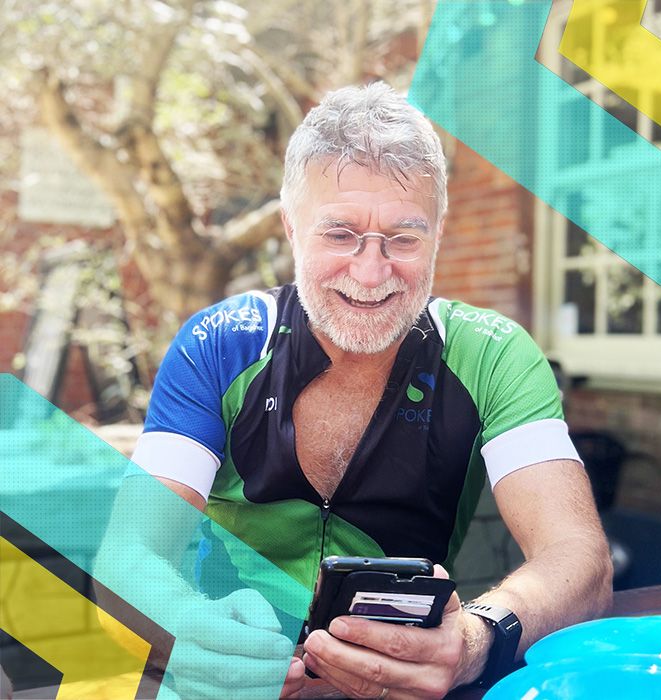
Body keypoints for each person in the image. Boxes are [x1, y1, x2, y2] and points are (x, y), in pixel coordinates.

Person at [128, 82, 612, 698]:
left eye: (404, 238)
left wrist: (476, 639)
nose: (370, 270)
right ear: (290, 226)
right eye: (339, 233)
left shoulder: (493, 353)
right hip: (224, 681)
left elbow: (579, 558)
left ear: (438, 232)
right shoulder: (219, 342)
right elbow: (130, 551)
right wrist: (189, 625)